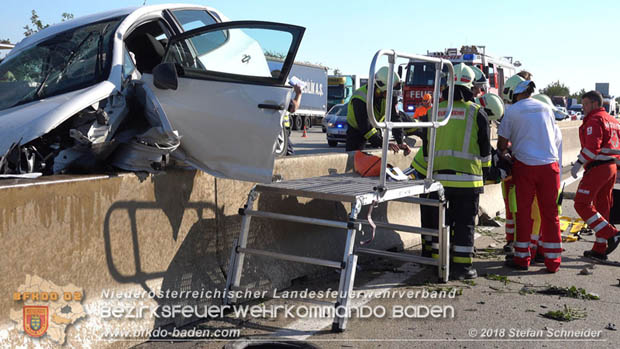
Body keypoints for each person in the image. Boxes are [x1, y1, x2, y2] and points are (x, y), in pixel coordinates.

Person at [415, 63, 492, 280]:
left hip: (439, 180)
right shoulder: (477, 112)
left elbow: (427, 149)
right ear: (470, 86)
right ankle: (463, 269)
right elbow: (485, 151)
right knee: (465, 225)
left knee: (442, 223)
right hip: (468, 181)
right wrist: (485, 172)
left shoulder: (433, 112)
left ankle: (440, 265)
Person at [497, 80, 562, 272]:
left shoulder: (513, 111)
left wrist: (506, 152)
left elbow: (502, 144)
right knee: (551, 214)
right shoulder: (546, 108)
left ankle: (522, 259)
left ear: (515, 94)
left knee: (523, 214)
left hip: (525, 166)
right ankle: (553, 262)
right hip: (550, 166)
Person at [571, 90, 620, 260]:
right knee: (602, 207)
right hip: (611, 167)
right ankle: (600, 248)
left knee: (581, 203)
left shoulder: (595, 119)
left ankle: (611, 233)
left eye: (585, 104)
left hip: (598, 167)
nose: (583, 108)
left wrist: (578, 163)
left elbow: (592, 147)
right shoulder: (613, 120)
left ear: (594, 104)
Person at [346, 66, 410, 155]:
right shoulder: (360, 98)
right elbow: (366, 127)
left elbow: (395, 118)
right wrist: (384, 143)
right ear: (379, 88)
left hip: (375, 126)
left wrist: (400, 141)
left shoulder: (388, 94)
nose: (392, 96)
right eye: (390, 92)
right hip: (357, 130)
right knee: (354, 157)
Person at [282, 84, 303, 156]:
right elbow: (294, 107)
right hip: (281, 131)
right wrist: (298, 93)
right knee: (289, 154)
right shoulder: (281, 95)